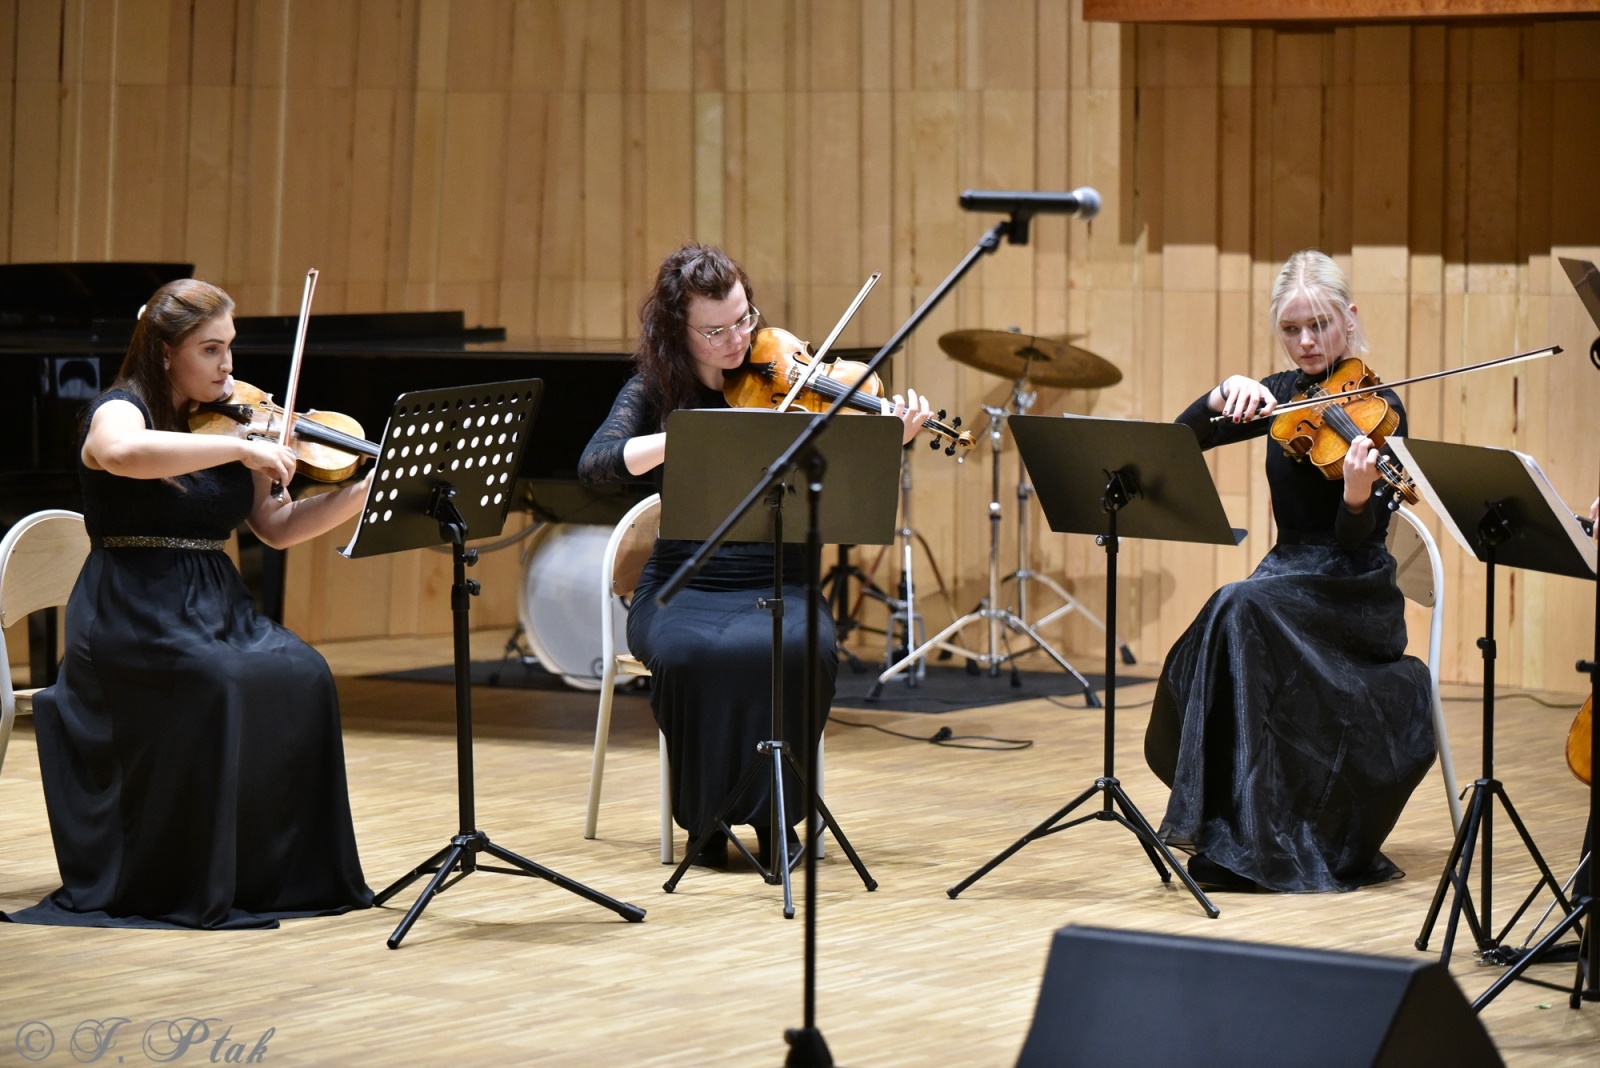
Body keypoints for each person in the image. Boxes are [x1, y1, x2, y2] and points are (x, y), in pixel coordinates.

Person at [3, 279, 374, 929]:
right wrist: (238, 447)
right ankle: (187, 874)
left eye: (230, 347)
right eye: (210, 350)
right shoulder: (121, 409)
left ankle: (275, 875)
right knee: (219, 683)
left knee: (304, 673)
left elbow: (278, 527)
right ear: (166, 352)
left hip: (215, 602)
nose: (228, 367)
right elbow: (120, 454)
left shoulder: (240, 419)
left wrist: (362, 493)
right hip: (131, 605)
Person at [579, 244, 929, 869]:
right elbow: (597, 464)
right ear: (676, 329)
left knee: (803, 648)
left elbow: (850, 483)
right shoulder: (656, 390)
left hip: (779, 577)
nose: (738, 339)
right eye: (715, 330)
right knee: (691, 654)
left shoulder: (791, 379)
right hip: (683, 583)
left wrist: (890, 437)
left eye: (745, 319)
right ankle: (707, 819)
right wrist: (685, 437)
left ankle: (776, 819)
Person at [1143, 249, 1436, 893]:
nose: (1306, 342)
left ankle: (1259, 836)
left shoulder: (1380, 408)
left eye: (1321, 325)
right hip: (1286, 577)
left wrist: (1357, 498)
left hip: (1353, 588)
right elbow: (1182, 438)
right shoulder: (1281, 396)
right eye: (1291, 329)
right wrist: (1222, 392)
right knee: (1237, 608)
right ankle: (1236, 831)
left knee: (1237, 604)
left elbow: (1362, 543)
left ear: (1350, 318)